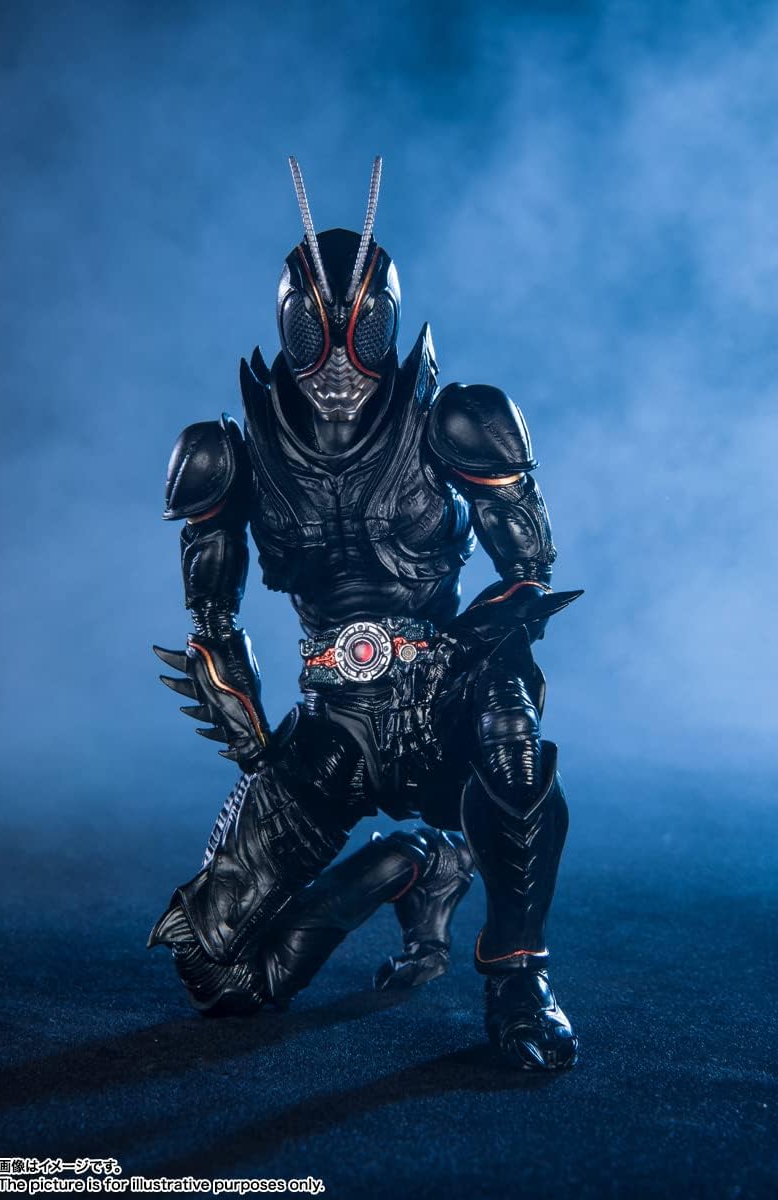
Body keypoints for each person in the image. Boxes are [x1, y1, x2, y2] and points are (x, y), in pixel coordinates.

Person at [150, 158, 581, 1071]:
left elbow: (530, 571)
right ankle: (415, 863)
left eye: (363, 327)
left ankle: (519, 982)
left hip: (448, 696)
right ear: (287, 323)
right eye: (316, 329)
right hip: (333, 717)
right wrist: (245, 719)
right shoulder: (228, 456)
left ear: (387, 323)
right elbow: (212, 624)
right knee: (219, 971)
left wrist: (481, 648)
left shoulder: (456, 422)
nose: (340, 356)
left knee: (512, 739)